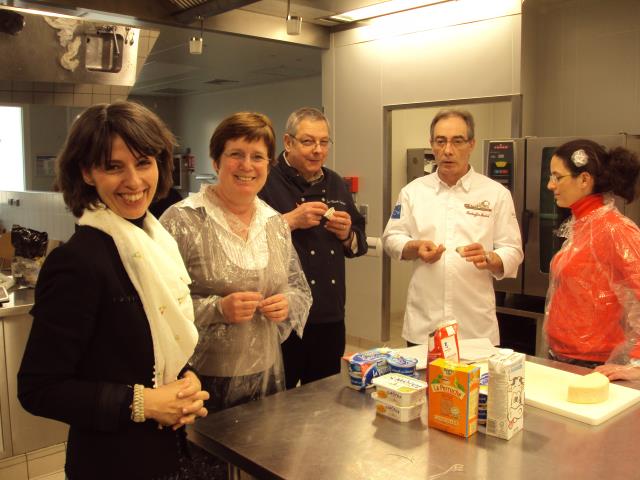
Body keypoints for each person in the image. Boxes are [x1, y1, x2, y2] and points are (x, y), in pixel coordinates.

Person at [17, 101, 210, 480]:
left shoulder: (156, 244)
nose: (134, 182)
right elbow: (39, 388)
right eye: (113, 167)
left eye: (143, 163)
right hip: (111, 463)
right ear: (88, 172)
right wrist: (144, 403)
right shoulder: (78, 261)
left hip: (170, 454)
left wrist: (186, 379)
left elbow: (155, 343)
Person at [160, 112, 312, 410]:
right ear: (216, 161)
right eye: (236, 154)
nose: (246, 166)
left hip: (267, 373)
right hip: (197, 379)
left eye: (258, 156)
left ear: (269, 164)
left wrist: (286, 303)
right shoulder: (182, 220)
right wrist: (217, 308)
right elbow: (157, 307)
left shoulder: (274, 223)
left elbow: (297, 288)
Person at [382, 109, 523, 346]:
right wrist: (414, 247)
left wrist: (490, 257)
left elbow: (513, 250)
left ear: (471, 144)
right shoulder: (413, 191)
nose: (448, 150)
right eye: (440, 141)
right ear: (432, 144)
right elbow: (391, 238)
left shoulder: (496, 194)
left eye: (457, 141)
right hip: (424, 325)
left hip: (474, 328)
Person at [258, 107, 367, 389]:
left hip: (330, 314)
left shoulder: (335, 183)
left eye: (324, 142)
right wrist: (289, 221)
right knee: (276, 402)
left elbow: (359, 241)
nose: (317, 150)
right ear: (288, 142)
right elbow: (242, 238)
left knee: (324, 400)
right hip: (284, 317)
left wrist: (346, 234)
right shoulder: (265, 181)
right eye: (308, 141)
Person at [543, 139, 640, 381]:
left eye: (557, 177)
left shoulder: (615, 230)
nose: (550, 185)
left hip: (595, 365)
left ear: (584, 180)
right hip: (563, 357)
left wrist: (636, 364)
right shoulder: (581, 226)